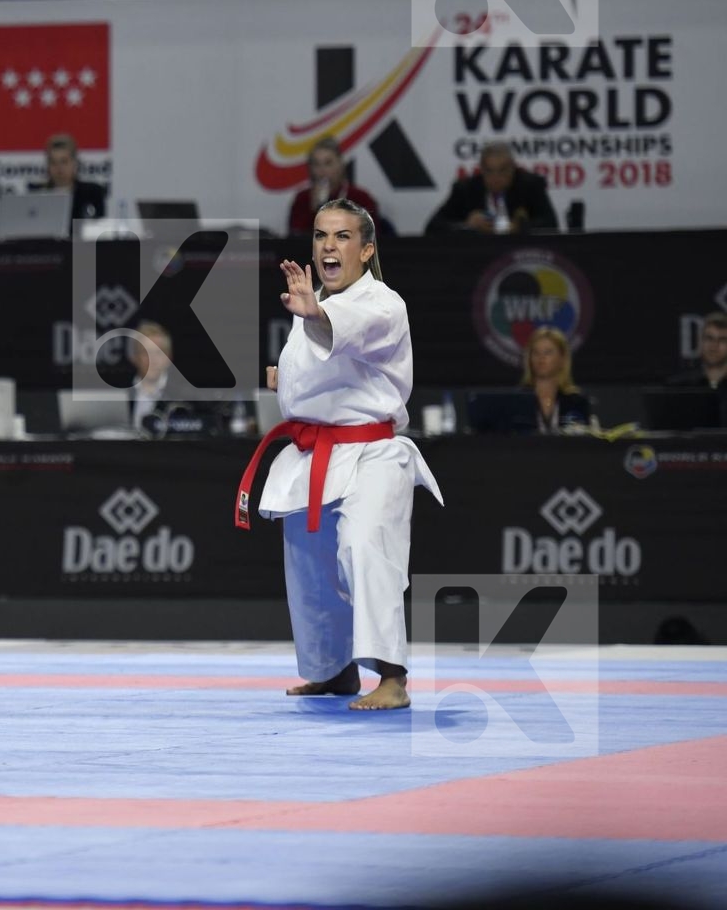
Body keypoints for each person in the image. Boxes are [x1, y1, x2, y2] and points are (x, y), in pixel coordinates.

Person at [235, 200, 443, 711]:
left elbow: (339, 332)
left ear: (366, 250)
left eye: (343, 236)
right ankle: (333, 671)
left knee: (365, 547)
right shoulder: (318, 300)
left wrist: (314, 313)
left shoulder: (382, 303)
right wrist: (290, 383)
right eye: (322, 235)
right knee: (311, 565)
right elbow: (331, 369)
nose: (329, 245)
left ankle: (392, 677)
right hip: (315, 453)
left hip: (372, 453)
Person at [425, 142, 559, 233]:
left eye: (503, 170)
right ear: (481, 170)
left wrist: (520, 227)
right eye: (489, 171)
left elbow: (551, 223)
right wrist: (467, 226)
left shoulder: (530, 185)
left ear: (513, 168)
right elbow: (432, 227)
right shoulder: (464, 189)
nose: (496, 178)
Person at [286, 138, 381, 237]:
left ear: (340, 165)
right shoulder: (302, 199)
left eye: (328, 163)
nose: (322, 171)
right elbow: (295, 239)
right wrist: (314, 211)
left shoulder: (360, 198)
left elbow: (369, 238)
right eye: (316, 164)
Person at [520, 326, 592, 434]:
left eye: (548, 352)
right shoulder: (518, 401)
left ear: (562, 359)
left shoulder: (577, 402)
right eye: (536, 352)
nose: (541, 358)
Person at [34, 133, 108, 219]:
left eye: (64, 161)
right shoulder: (38, 196)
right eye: (53, 162)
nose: (59, 168)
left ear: (74, 163)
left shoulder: (92, 193)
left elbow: (97, 228)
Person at [670, 311, 727, 391]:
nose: (714, 346)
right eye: (709, 338)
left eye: (722, 340)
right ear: (700, 342)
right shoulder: (679, 386)